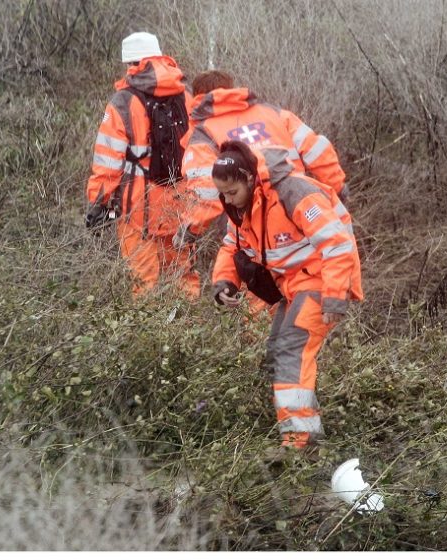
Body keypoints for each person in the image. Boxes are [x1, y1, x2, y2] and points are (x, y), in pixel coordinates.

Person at [210, 140, 362, 450]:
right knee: (276, 354)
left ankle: (300, 442)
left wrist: (335, 296)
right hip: (292, 287)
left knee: (291, 351)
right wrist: (225, 283)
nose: (228, 201)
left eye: (232, 193)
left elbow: (337, 244)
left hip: (321, 282)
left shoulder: (294, 192)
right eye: (222, 194)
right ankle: (300, 429)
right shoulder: (242, 206)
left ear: (249, 178)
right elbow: (232, 246)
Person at [172, 70, 347, 249]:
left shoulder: (203, 133)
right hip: (296, 203)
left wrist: (190, 229)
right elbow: (319, 151)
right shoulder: (274, 113)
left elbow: (205, 191)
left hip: (248, 222)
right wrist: (338, 188)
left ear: (197, 96)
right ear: (232, 89)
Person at [85, 32, 198, 299]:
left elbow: (108, 160)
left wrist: (99, 202)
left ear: (131, 64)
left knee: (143, 280)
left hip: (138, 209)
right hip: (181, 206)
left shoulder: (122, 102)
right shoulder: (187, 94)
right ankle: (188, 333)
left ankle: (147, 336)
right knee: (183, 276)